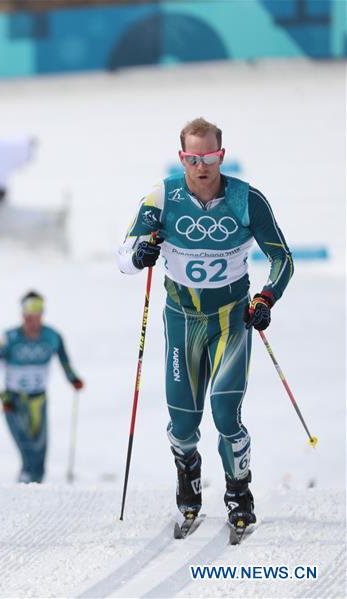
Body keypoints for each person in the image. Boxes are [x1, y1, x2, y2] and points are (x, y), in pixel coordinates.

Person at [117, 117, 293, 529]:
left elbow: (282, 258)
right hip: (181, 320)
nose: (202, 166)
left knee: (226, 415)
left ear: (221, 156)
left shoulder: (247, 200)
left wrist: (267, 297)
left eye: (209, 156)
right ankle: (188, 478)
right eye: (193, 158)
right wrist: (140, 255)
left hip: (231, 319)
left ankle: (238, 493)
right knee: (183, 422)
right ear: (182, 158)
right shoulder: (162, 196)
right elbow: (124, 256)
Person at [0, 291, 84, 483]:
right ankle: (23, 488)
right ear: (22, 316)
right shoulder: (8, 338)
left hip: (39, 400)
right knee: (28, 451)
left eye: (37, 316)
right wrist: (1, 396)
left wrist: (73, 379)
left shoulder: (53, 336)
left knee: (40, 453)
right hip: (14, 401)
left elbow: (65, 362)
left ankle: (34, 492)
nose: (33, 323)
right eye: (29, 317)